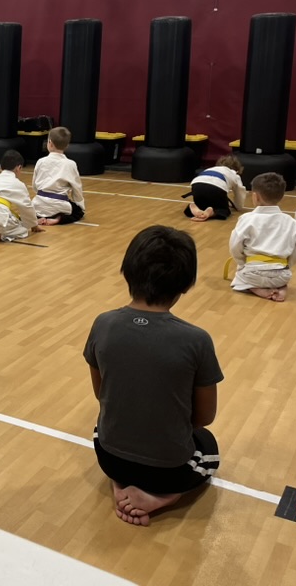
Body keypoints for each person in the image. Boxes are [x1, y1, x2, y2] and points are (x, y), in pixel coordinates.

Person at [83, 225, 223, 527]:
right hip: (168, 471)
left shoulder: (103, 323)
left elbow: (101, 394)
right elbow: (204, 417)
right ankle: (165, 496)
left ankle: (120, 484)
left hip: (110, 459)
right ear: (186, 284)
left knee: (102, 426)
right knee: (208, 447)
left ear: (127, 271)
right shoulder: (197, 340)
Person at [228, 173, 296, 302]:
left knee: (239, 278)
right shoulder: (291, 222)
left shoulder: (247, 219)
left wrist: (242, 263)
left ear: (255, 196)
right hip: (281, 274)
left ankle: (256, 289)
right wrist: (288, 264)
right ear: (282, 196)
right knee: (280, 279)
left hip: (253, 273)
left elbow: (235, 245)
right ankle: (281, 288)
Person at [0, 150, 41, 242]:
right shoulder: (18, 184)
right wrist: (34, 225)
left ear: (0, 167)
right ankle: (0, 236)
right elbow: (27, 207)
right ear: (19, 168)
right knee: (23, 230)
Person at [31, 126, 86, 225]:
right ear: (67, 146)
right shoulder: (70, 164)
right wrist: (80, 204)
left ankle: (39, 218)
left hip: (38, 204)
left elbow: (34, 185)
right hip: (60, 205)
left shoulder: (41, 161)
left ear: (50, 143)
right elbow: (77, 188)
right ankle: (58, 219)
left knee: (34, 210)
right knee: (78, 212)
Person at [183, 155, 248, 221]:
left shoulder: (210, 168)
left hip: (197, 186)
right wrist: (238, 207)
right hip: (216, 187)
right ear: (237, 169)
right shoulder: (234, 174)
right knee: (224, 210)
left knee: (202, 204)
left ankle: (196, 208)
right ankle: (211, 213)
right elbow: (240, 193)